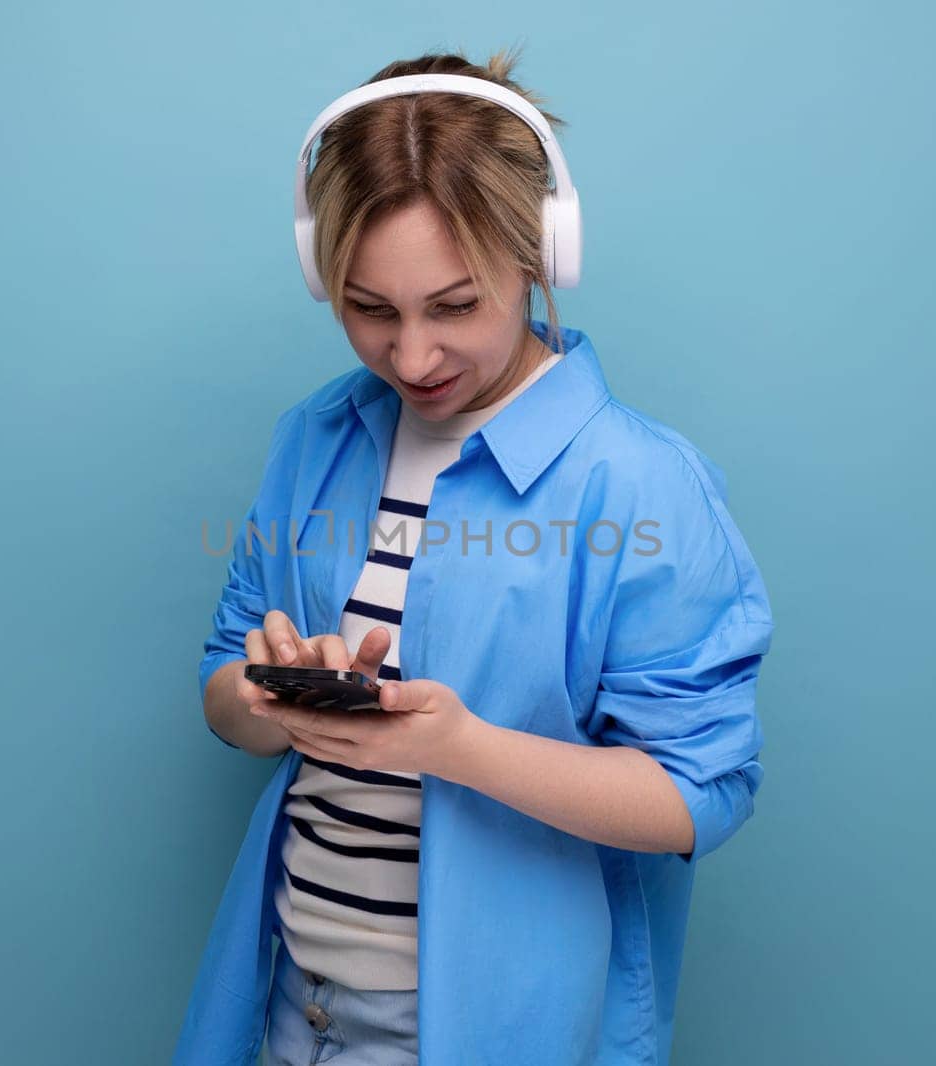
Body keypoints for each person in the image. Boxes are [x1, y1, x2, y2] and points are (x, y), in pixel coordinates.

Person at [176, 47, 775, 1066]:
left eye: (453, 306)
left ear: (542, 251)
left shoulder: (638, 484)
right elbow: (222, 688)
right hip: (285, 1002)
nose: (411, 358)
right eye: (369, 309)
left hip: (478, 1030)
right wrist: (266, 695)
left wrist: (453, 748)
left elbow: (697, 795)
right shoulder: (311, 440)